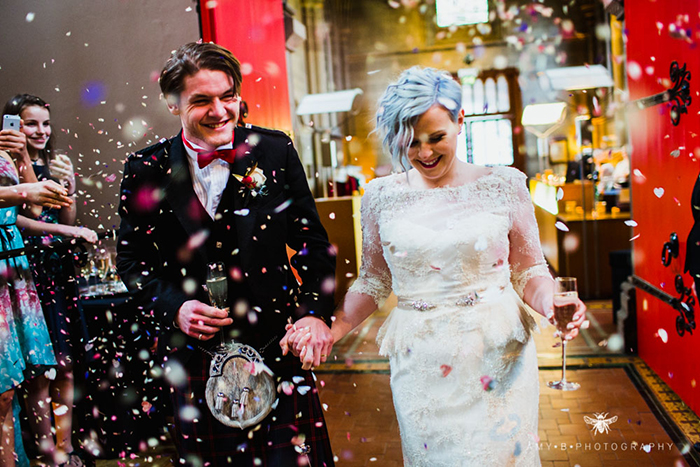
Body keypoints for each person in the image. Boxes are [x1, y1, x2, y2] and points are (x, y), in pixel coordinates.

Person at [282, 67, 588, 466]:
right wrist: (333, 327)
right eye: (410, 142)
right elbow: (374, 280)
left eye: (436, 138)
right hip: (421, 361)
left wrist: (550, 304)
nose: (424, 153)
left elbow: (529, 271)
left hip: (498, 354)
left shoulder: (506, 185)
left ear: (460, 122)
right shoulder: (380, 197)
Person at [116, 42, 336, 466]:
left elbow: (312, 242)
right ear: (173, 103)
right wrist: (176, 307)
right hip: (197, 358)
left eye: (228, 96)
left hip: (277, 346)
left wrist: (313, 312)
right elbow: (132, 262)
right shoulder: (146, 168)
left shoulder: (274, 152)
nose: (220, 111)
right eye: (201, 100)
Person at [3, 94, 98, 467]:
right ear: (13, 125)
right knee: (43, 367)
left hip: (57, 269)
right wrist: (25, 160)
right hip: (24, 272)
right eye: (31, 123)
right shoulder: (7, 166)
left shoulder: (53, 162)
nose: (40, 131)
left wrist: (69, 186)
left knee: (67, 361)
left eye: (45, 123)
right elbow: (32, 212)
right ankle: (47, 452)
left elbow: (68, 220)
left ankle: (66, 445)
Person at [0, 120, 73, 466]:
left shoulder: (4, 153)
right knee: (2, 392)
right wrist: (20, 193)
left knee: (22, 382)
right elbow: (23, 199)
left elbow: (31, 211)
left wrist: (22, 156)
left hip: (16, 273)